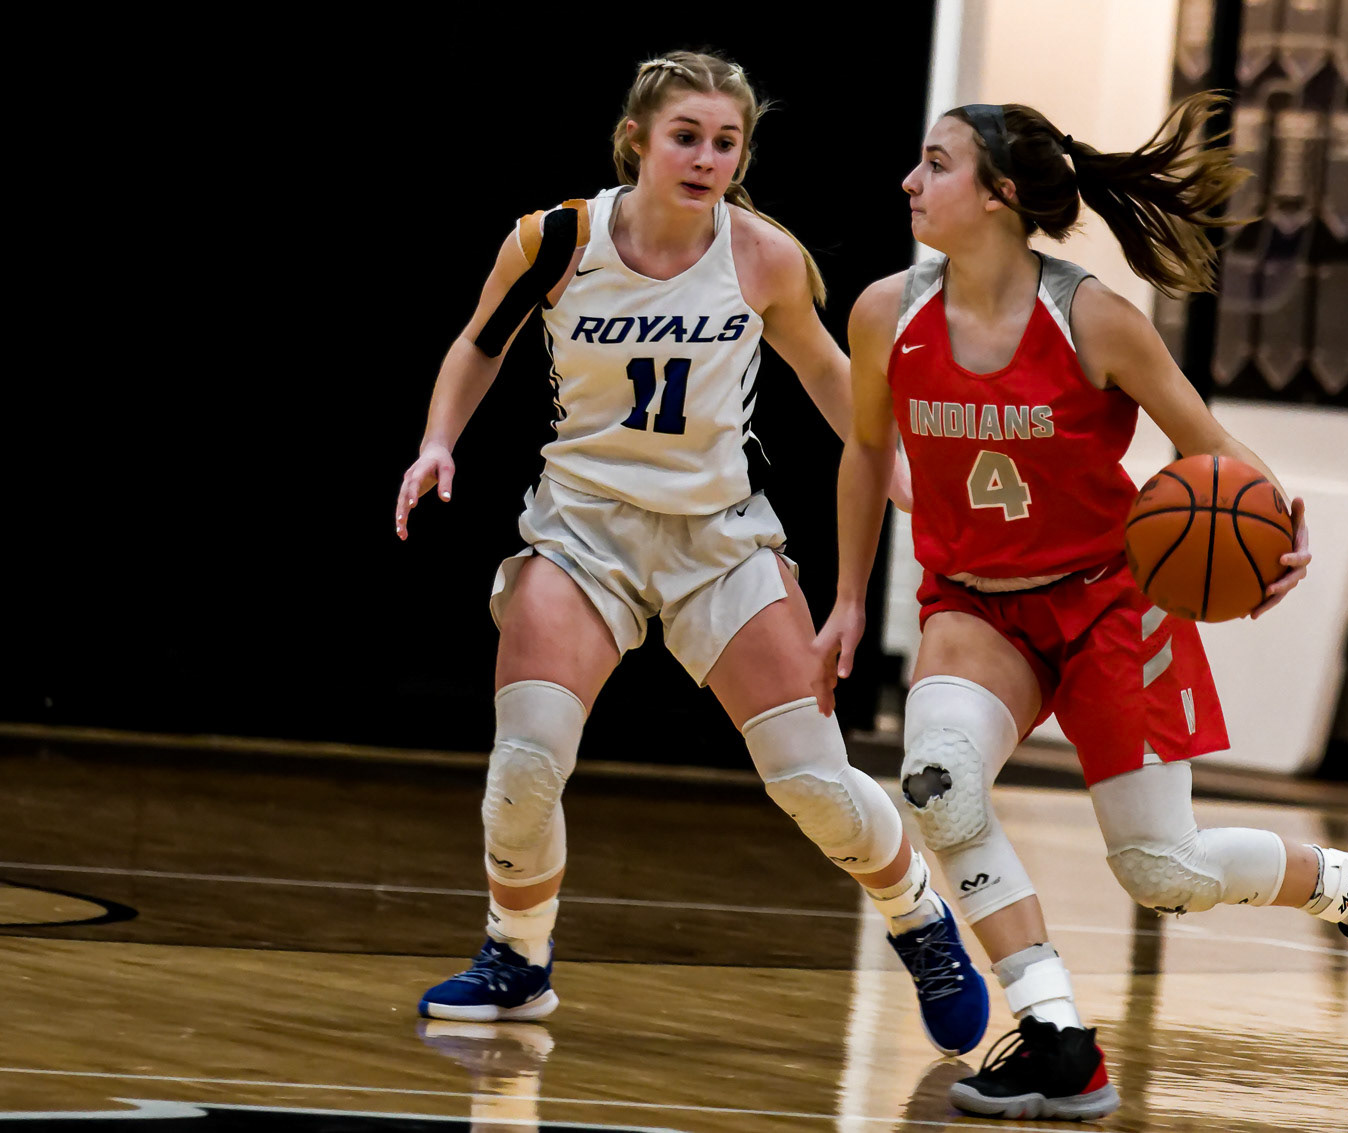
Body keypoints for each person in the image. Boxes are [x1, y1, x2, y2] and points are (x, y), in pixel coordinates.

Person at [812, 96, 1348, 1121]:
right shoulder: (886, 311)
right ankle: (1057, 1035)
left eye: (934, 164)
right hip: (973, 607)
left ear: (1000, 194)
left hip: (1107, 602)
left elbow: (1208, 444)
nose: (909, 182)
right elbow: (864, 449)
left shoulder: (1092, 318)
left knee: (1164, 870)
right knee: (939, 786)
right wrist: (848, 596)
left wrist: (1278, 529)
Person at [395, 50, 990, 1054]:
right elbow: (478, 342)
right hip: (582, 529)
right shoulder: (555, 239)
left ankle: (919, 918)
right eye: (686, 137)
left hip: (719, 539)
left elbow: (829, 374)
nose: (707, 158)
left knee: (812, 782)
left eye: (725, 142)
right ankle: (517, 956)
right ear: (636, 140)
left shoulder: (763, 256)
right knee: (524, 766)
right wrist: (437, 440)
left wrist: (898, 472)